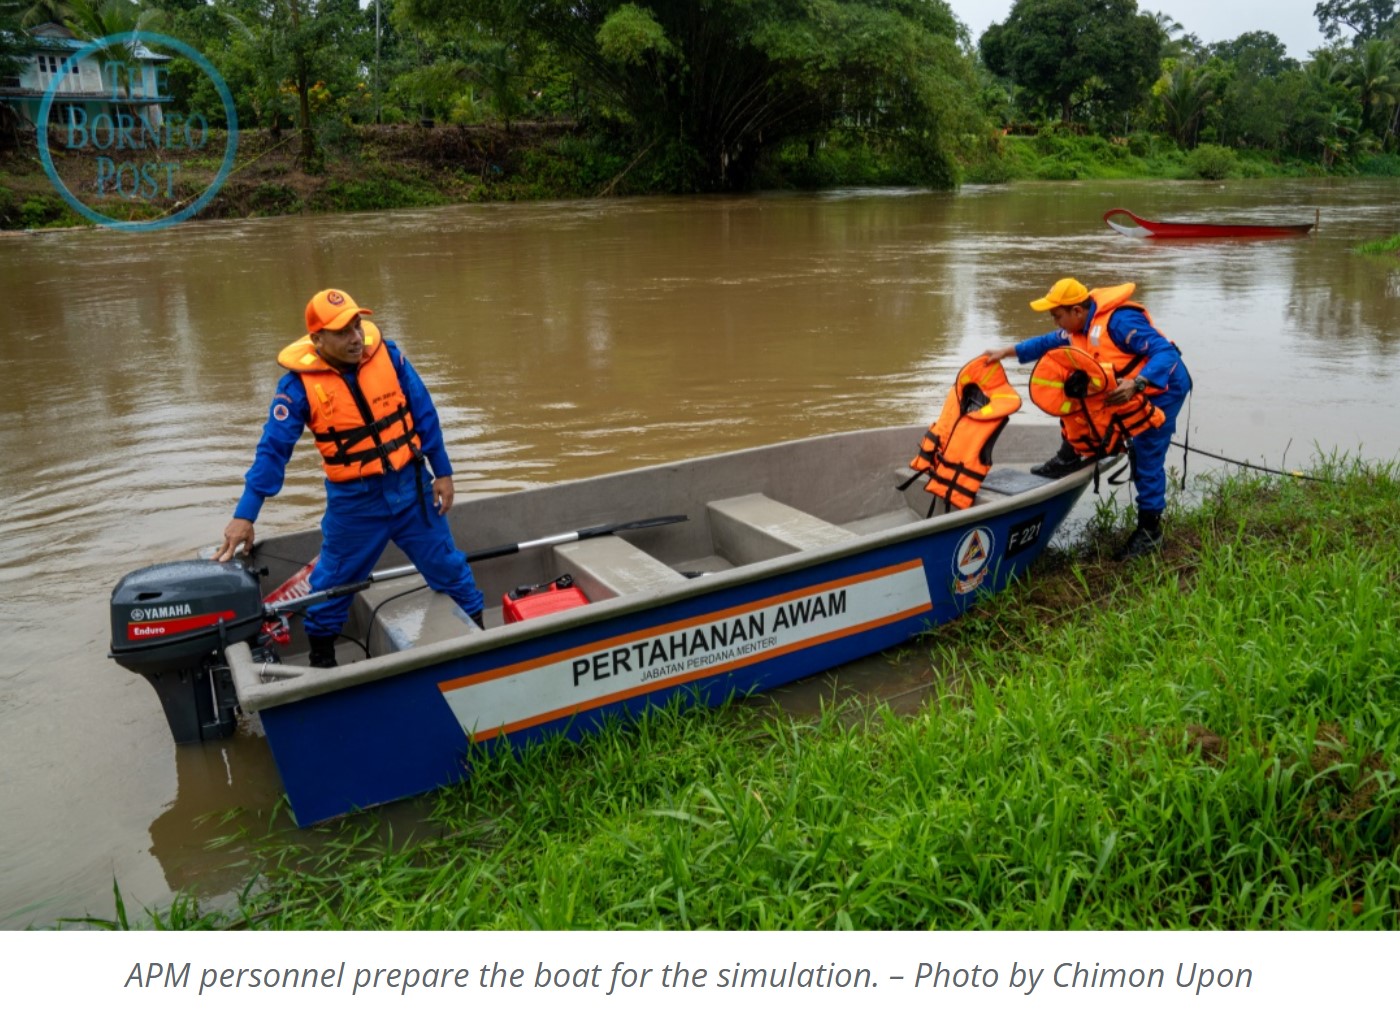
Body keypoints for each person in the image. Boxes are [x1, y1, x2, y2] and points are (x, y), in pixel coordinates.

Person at [215, 288, 485, 666]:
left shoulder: (389, 357)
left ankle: (482, 646)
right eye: (342, 332)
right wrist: (246, 513)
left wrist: (443, 471)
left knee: (452, 571)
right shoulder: (296, 388)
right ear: (317, 339)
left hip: (412, 489)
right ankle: (323, 668)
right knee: (330, 590)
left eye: (357, 325)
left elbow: (424, 414)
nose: (356, 338)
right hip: (355, 504)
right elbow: (273, 450)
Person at [984, 277, 1192, 560]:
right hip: (1126, 386)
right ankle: (1069, 455)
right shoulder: (1076, 329)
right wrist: (1005, 352)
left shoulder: (1120, 323)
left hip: (1162, 388)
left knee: (1146, 454)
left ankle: (1149, 531)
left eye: (1057, 316)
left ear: (1077, 311)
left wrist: (1138, 383)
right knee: (1075, 395)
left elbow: (1165, 352)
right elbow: (1046, 343)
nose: (1056, 322)